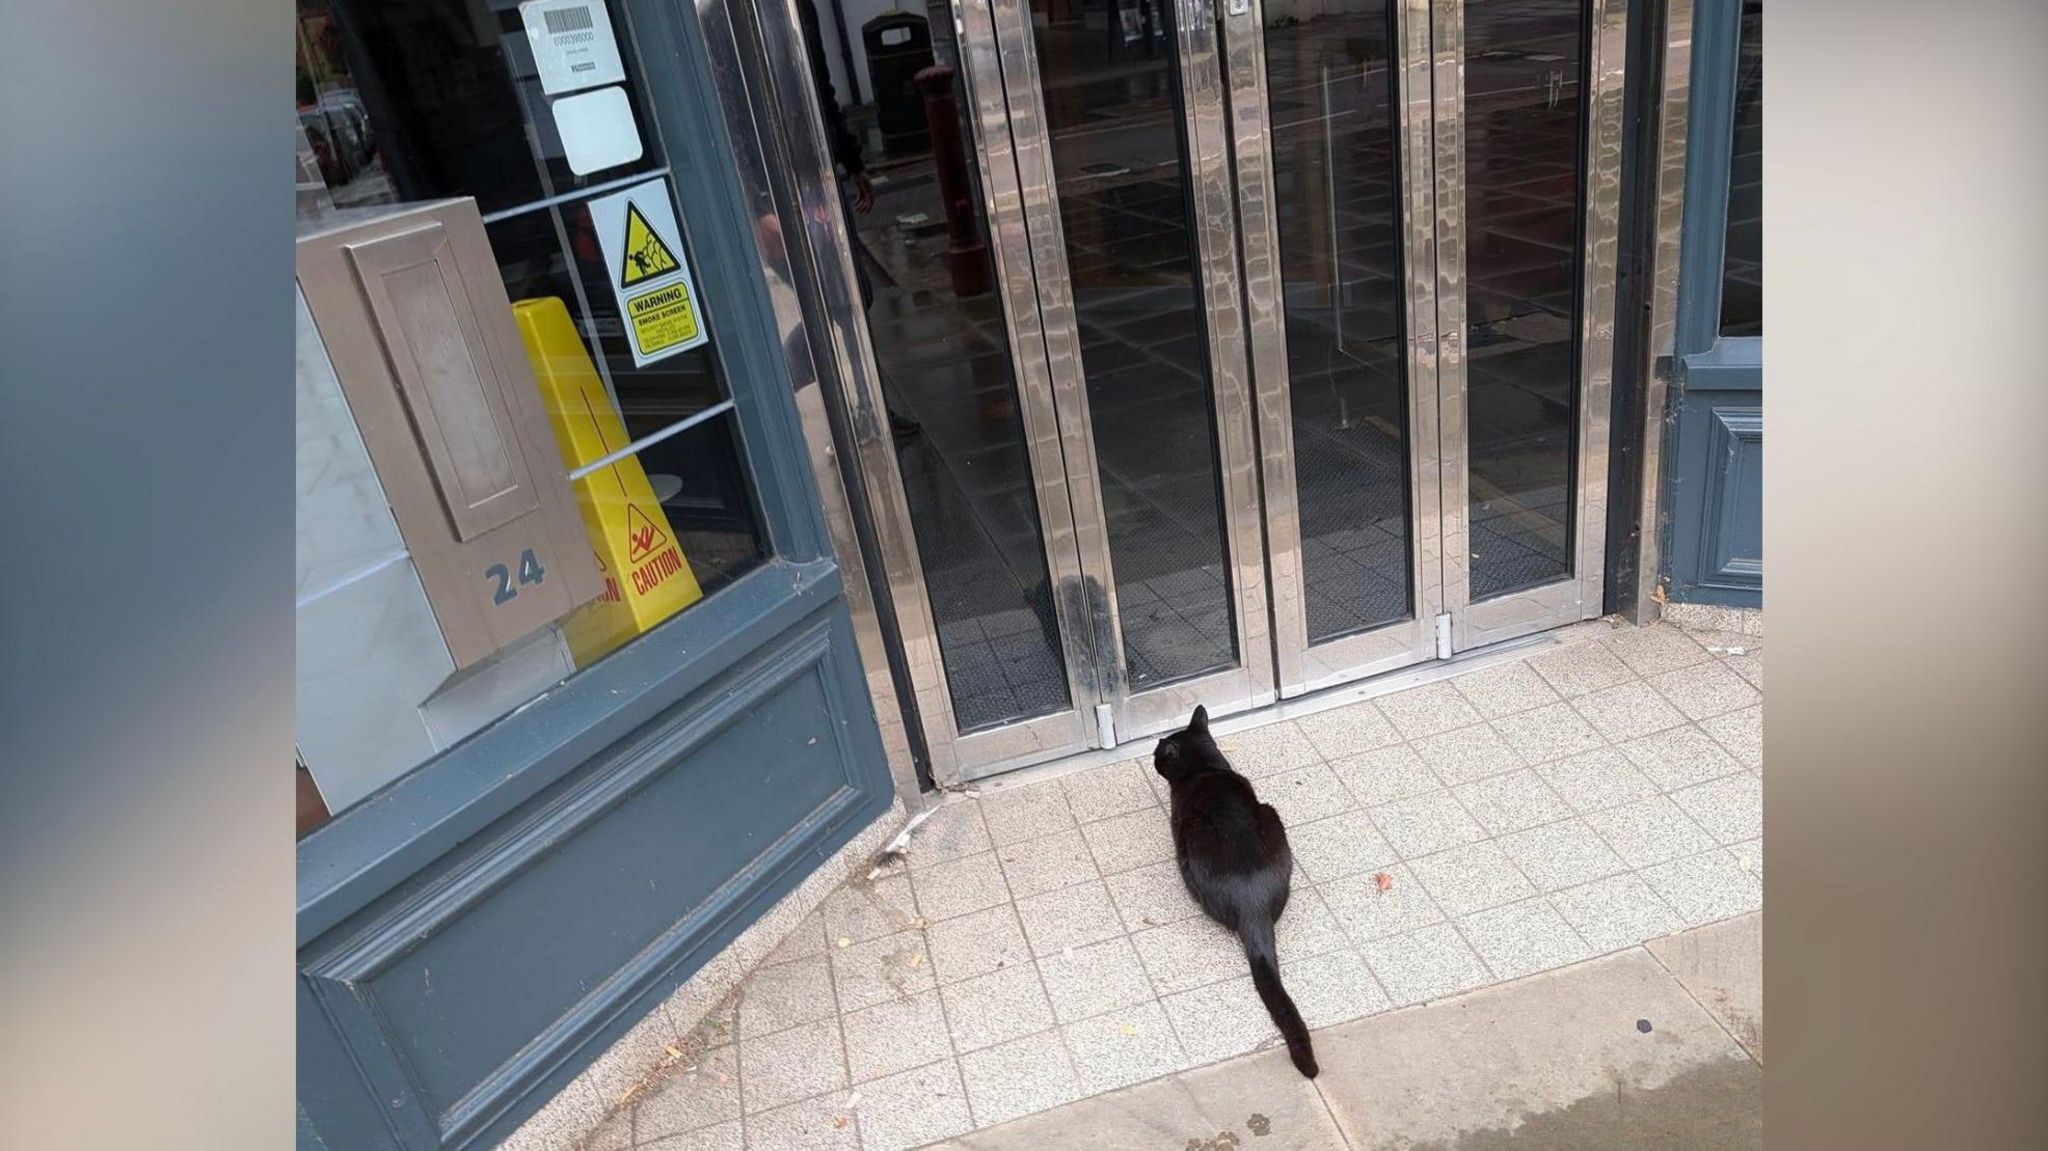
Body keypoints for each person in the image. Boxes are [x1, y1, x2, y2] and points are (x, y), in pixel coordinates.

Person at [797, 0, 920, 441]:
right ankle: (785, 387)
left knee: (850, 296)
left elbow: (822, 89)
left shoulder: (802, 8)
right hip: (782, 187)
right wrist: (761, 206)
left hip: (820, 176)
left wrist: (851, 161)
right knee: (836, 298)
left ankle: (867, 408)